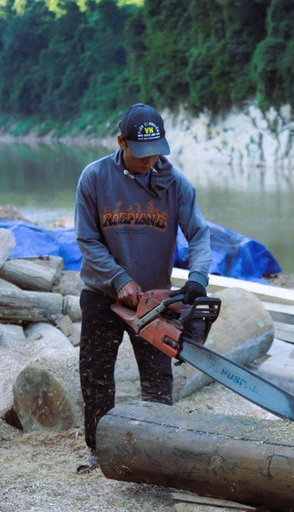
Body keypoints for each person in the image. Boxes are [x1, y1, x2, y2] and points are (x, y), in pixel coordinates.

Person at [75, 102, 211, 467]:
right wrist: (118, 277)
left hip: (153, 301)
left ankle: (158, 449)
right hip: (102, 295)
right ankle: (99, 448)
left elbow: (199, 234)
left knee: (157, 380)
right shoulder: (95, 177)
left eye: (155, 153)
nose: (150, 161)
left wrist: (197, 277)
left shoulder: (175, 184)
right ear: (121, 142)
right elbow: (87, 239)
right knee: (96, 376)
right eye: (141, 154)